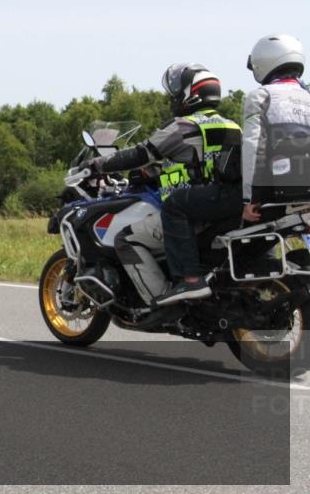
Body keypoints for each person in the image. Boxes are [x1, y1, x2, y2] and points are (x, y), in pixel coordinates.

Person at [80, 64, 239, 306]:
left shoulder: (182, 126)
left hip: (189, 214)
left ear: (188, 95)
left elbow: (140, 153)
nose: (172, 100)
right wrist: (152, 174)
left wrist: (96, 165)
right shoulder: (231, 126)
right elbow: (200, 164)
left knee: (126, 239)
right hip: (220, 208)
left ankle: (160, 301)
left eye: (174, 94)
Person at [239, 34, 310, 224]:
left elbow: (253, 147)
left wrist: (250, 198)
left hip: (274, 191)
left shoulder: (261, 96)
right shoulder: (308, 96)